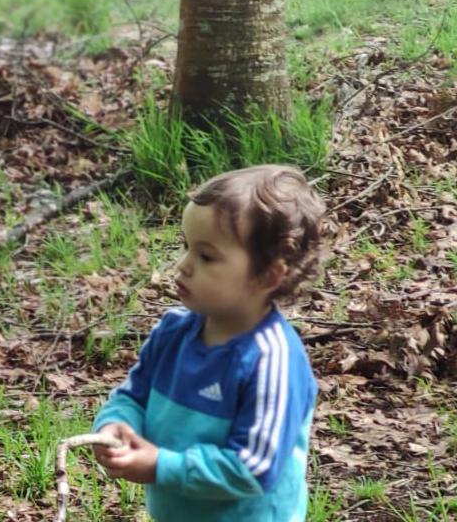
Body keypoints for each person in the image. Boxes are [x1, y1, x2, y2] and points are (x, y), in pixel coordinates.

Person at [91, 164, 326, 521]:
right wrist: (114, 426)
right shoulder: (172, 333)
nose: (183, 266)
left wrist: (161, 466)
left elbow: (254, 467)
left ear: (268, 275)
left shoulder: (270, 359)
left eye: (206, 256)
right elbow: (132, 397)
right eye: (186, 247)